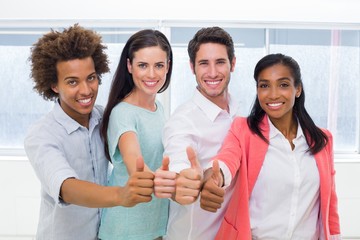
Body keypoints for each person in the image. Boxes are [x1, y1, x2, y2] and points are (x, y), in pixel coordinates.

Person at [24, 24, 155, 240]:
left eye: (91, 78)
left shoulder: (105, 117)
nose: (86, 90)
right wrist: (120, 195)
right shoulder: (41, 135)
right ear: (54, 85)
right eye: (72, 82)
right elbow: (66, 187)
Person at [201, 53, 341, 239]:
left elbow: (330, 204)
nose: (273, 94)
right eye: (264, 85)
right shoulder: (243, 129)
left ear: (297, 89)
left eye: (283, 84)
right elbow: (227, 159)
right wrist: (214, 177)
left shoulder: (323, 140)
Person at [154, 26, 240, 240]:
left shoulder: (237, 110)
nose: (212, 72)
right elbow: (179, 164)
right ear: (192, 67)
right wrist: (182, 183)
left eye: (220, 62)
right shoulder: (182, 121)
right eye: (204, 63)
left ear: (233, 64)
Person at [98, 29, 173, 240]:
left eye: (159, 65)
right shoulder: (122, 113)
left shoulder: (158, 109)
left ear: (167, 66)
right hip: (124, 230)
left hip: (155, 227)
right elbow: (137, 169)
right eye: (143, 65)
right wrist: (180, 182)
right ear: (129, 66)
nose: (152, 74)